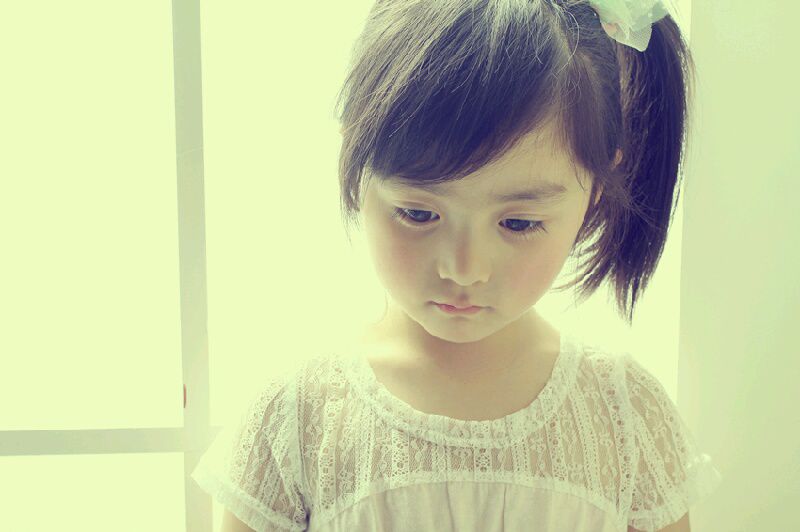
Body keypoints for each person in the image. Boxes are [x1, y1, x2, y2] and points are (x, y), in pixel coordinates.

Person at [191, 1, 723, 530]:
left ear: (596, 194)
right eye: (419, 213)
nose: (464, 269)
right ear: (355, 167)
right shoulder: (295, 420)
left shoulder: (626, 415)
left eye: (518, 223)